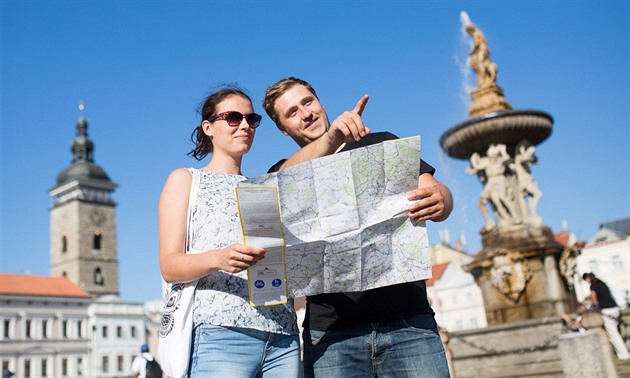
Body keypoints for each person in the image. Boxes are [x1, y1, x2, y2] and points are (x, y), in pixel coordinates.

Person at [263, 77, 453, 377]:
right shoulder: (283, 174)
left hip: (408, 323)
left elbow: (437, 193)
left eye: (308, 102)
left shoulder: (382, 143)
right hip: (331, 337)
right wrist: (332, 139)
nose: (306, 113)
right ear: (283, 129)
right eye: (292, 112)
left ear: (320, 102)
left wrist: (441, 199)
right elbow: (278, 182)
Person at [159, 87, 300, 377]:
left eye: (252, 118)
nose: (246, 125)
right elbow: (169, 266)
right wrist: (218, 258)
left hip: (283, 337)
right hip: (221, 335)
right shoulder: (185, 179)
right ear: (208, 127)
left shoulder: (262, 188)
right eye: (233, 118)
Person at [582, 272, 630, 360]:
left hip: (607, 311)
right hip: (615, 308)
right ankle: (623, 352)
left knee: (613, 334)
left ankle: (623, 354)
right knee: (616, 331)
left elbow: (594, 301)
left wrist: (591, 305)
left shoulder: (593, 286)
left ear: (588, 279)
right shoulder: (602, 283)